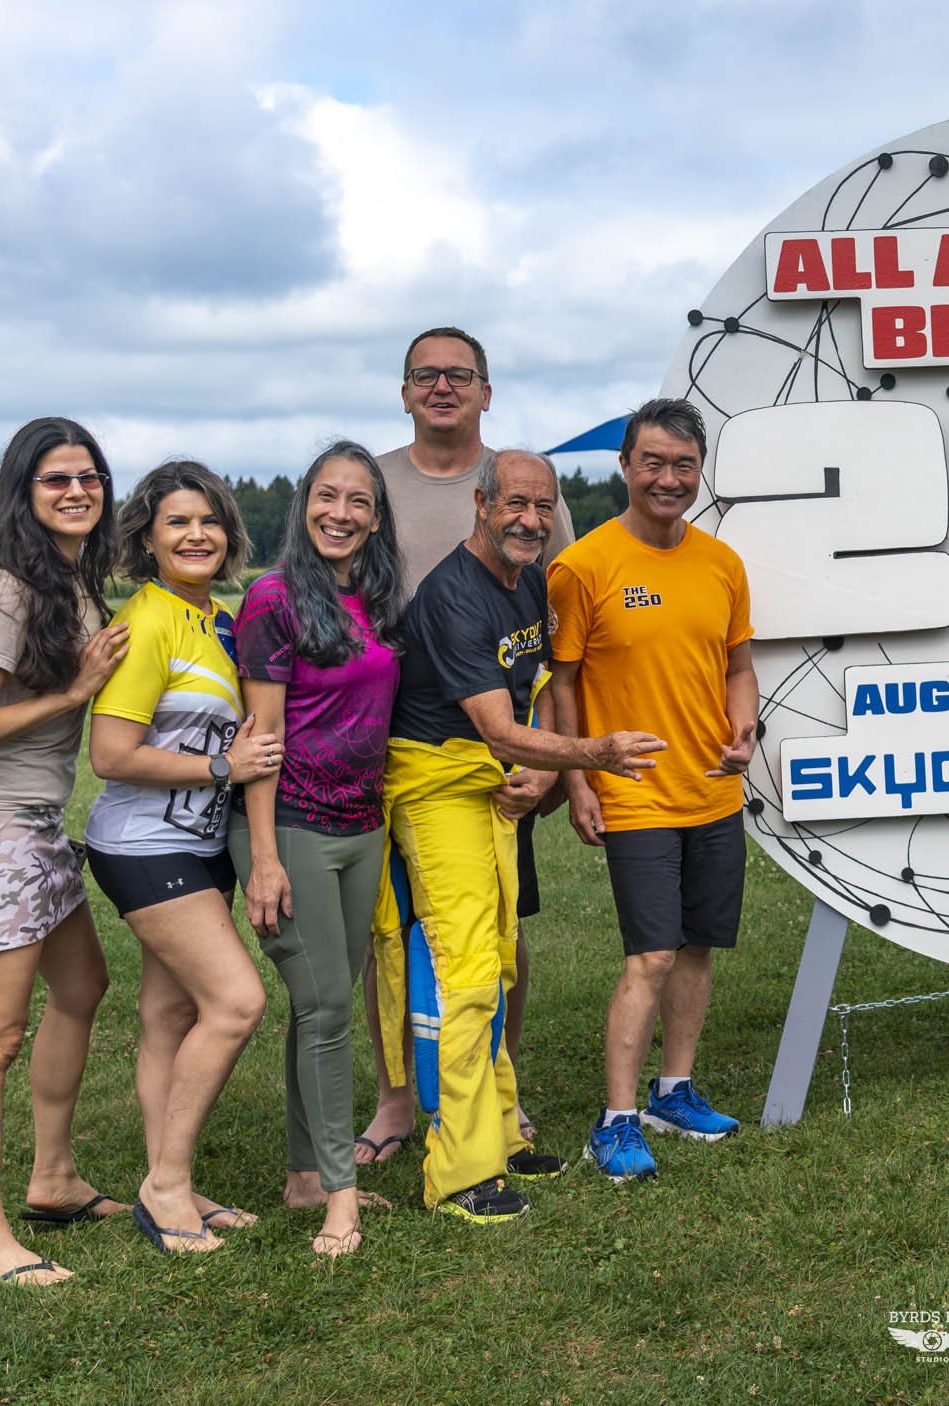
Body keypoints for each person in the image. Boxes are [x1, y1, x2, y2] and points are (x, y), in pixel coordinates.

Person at [376, 448, 660, 1221]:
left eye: (543, 506)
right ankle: (460, 1175)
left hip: (486, 780)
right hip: (435, 784)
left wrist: (539, 765)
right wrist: (589, 759)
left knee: (498, 960)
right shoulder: (454, 598)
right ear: (481, 503)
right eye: (515, 505)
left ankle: (500, 1135)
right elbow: (496, 724)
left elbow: (529, 688)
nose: (531, 521)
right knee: (465, 970)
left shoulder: (527, 581)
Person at [358, 326, 578, 1166]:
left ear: (487, 391)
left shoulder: (528, 491)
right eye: (426, 375)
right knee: (399, 930)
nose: (442, 386)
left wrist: (544, 762)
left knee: (495, 935)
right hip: (392, 743)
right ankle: (396, 1100)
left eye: (460, 375)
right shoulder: (371, 484)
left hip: (494, 753)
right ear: (404, 390)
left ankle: (495, 1085)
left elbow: (552, 646)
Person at [0, 418, 131, 1286]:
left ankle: (53, 1179)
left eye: (89, 476)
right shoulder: (10, 592)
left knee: (83, 986)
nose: (78, 490)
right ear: (24, 491)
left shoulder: (70, 582)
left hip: (37, 825)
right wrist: (78, 690)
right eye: (56, 480)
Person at [550, 399, 758, 1181]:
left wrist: (746, 731)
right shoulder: (585, 565)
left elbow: (739, 665)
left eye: (683, 465)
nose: (668, 479)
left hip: (713, 793)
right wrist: (578, 780)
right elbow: (562, 682)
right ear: (625, 467)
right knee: (651, 956)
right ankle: (614, 1120)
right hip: (634, 793)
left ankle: (673, 1093)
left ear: (699, 471)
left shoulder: (720, 564)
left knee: (698, 948)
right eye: (653, 463)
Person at [84, 460, 283, 1254]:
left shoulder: (223, 619)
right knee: (235, 1002)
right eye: (177, 522)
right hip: (143, 844)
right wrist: (220, 769)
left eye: (209, 521)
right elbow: (109, 753)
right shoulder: (148, 622)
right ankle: (164, 1188)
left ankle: (176, 1179)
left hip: (204, 846)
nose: (196, 534)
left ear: (230, 535)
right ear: (147, 538)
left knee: (167, 1016)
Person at [228, 442, 404, 1258]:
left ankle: (306, 1173)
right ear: (305, 505)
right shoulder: (274, 599)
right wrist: (262, 856)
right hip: (291, 823)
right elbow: (259, 737)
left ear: (376, 517)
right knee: (330, 1008)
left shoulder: (375, 597)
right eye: (327, 497)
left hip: (362, 827)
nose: (341, 513)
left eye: (358, 501)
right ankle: (339, 1200)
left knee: (322, 1007)